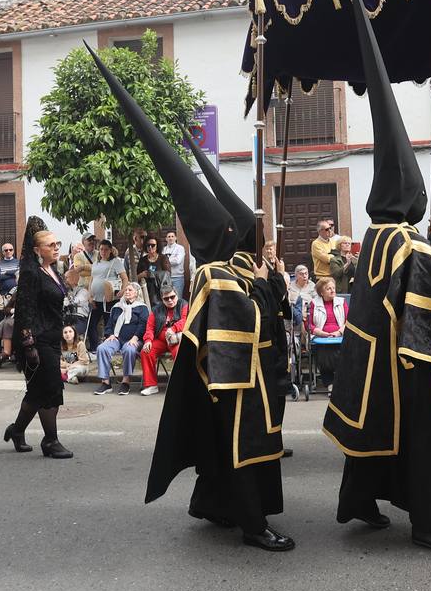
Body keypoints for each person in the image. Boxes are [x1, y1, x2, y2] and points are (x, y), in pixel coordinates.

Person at [90, 44, 293, 551]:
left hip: (252, 380)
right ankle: (252, 522)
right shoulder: (222, 276)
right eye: (249, 232)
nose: (255, 236)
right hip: (241, 386)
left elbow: (275, 309)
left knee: (226, 451)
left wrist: (272, 279)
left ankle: (213, 504)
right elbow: (237, 338)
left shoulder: (243, 270)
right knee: (241, 448)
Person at [322, 0, 431, 556]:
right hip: (411, 370)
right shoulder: (408, 244)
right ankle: (430, 522)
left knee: (371, 430)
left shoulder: (379, 238)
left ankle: (358, 501)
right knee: (429, 437)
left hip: (371, 363)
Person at [3, 216, 73, 459]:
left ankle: (17, 430)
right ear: (36, 250)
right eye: (50, 245)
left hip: (53, 337)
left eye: (57, 244)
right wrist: (28, 344)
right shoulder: (31, 274)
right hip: (37, 340)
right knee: (51, 387)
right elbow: (25, 311)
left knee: (36, 391)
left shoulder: (53, 269)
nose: (56, 248)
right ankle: (50, 441)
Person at [93, 282, 148, 396]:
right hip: (117, 338)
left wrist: (135, 338)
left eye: (130, 290)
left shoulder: (142, 308)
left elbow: (143, 325)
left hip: (134, 339)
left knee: (129, 349)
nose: (127, 292)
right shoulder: (117, 307)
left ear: (136, 293)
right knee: (102, 348)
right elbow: (109, 324)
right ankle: (106, 383)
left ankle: (126, 382)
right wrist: (110, 335)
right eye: (126, 290)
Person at [140, 283, 188, 396]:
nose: (170, 300)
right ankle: (151, 385)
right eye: (166, 299)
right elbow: (150, 327)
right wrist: (147, 341)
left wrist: (174, 328)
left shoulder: (184, 304)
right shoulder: (156, 310)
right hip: (161, 340)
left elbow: (186, 320)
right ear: (162, 299)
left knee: (180, 353)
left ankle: (181, 384)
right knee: (146, 351)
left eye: (172, 297)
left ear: (177, 295)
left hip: (176, 339)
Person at [88, 239, 126, 350]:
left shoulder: (115, 262)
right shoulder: (95, 263)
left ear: (110, 250)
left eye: (106, 249)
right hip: (96, 299)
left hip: (109, 300)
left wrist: (123, 290)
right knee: (91, 324)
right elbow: (92, 279)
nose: (103, 252)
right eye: (101, 249)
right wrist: (90, 295)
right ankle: (94, 348)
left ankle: (109, 347)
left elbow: (125, 278)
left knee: (108, 325)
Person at [134, 235, 170, 306]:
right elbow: (136, 277)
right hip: (146, 291)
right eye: (148, 245)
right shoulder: (142, 260)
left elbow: (167, 274)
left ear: (157, 246)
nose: (150, 247)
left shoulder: (163, 258)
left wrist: (150, 274)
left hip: (160, 291)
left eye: (153, 245)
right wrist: (141, 275)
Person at [162, 229, 186, 298]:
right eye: (169, 237)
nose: (170, 238)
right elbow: (162, 262)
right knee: (167, 297)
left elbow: (177, 261)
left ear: (176, 238)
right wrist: (172, 259)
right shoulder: (163, 249)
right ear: (166, 239)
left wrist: (166, 261)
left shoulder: (180, 248)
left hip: (178, 278)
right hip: (166, 277)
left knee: (177, 298)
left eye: (172, 236)